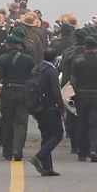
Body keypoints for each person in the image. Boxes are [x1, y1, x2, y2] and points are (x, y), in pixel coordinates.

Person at [69, 34, 97, 162]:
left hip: (82, 96)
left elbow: (73, 81)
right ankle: (95, 149)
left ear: (85, 47)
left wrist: (74, 95)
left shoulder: (78, 61)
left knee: (82, 123)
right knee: (96, 124)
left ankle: (82, 152)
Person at [0, 34, 35, 161]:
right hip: (23, 93)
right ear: (19, 45)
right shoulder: (28, 59)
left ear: (8, 45)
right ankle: (18, 150)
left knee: (7, 122)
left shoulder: (3, 59)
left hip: (8, 92)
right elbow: (34, 76)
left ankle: (7, 151)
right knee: (21, 123)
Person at [29, 47, 64, 177]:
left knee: (46, 135)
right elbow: (56, 92)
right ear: (55, 59)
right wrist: (62, 109)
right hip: (49, 107)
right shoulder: (52, 71)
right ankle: (39, 157)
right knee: (57, 134)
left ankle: (47, 166)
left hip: (38, 107)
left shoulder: (37, 68)